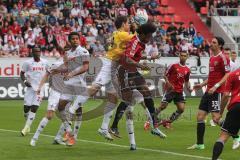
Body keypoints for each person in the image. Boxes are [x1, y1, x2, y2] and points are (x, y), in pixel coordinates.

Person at [112, 22, 166, 150]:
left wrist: (149, 57)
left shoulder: (140, 42)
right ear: (141, 34)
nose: (149, 39)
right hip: (124, 71)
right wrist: (142, 66)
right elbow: (127, 59)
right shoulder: (134, 41)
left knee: (147, 93)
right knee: (127, 100)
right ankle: (114, 126)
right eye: (148, 36)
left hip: (132, 71)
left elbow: (136, 56)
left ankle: (154, 125)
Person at [188, 37, 230, 150]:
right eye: (211, 42)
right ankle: (200, 144)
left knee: (216, 119)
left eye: (214, 42)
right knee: (200, 116)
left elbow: (227, 74)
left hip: (217, 92)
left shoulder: (223, 57)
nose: (211, 44)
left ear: (220, 45)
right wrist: (201, 85)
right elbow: (211, 76)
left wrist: (216, 86)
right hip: (208, 91)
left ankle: (236, 135)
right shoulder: (211, 58)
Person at [57, 32, 90, 146]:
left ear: (79, 40)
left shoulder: (83, 51)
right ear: (69, 41)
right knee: (60, 106)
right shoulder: (68, 52)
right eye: (73, 39)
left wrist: (72, 74)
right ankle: (69, 131)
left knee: (78, 110)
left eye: (77, 39)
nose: (75, 40)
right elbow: (67, 66)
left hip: (79, 84)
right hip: (69, 84)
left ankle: (74, 136)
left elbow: (85, 67)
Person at [145, 51, 192, 129]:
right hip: (170, 90)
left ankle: (167, 122)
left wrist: (188, 88)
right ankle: (148, 121)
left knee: (181, 109)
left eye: (184, 56)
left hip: (179, 91)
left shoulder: (187, 70)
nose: (183, 57)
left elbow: (186, 81)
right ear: (179, 56)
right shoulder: (173, 65)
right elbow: (165, 74)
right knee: (162, 106)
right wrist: (167, 82)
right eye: (181, 55)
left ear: (187, 57)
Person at [211, 68, 240, 159]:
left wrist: (220, 113)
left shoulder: (233, 74)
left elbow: (226, 95)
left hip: (236, 106)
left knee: (223, 137)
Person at [20, 47, 49, 136]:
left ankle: (26, 128)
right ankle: (27, 121)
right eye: (36, 51)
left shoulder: (45, 62)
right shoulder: (27, 63)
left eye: (39, 51)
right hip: (30, 88)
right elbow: (22, 73)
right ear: (32, 53)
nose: (38, 53)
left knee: (34, 108)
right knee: (26, 109)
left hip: (40, 89)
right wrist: (25, 81)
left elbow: (49, 73)